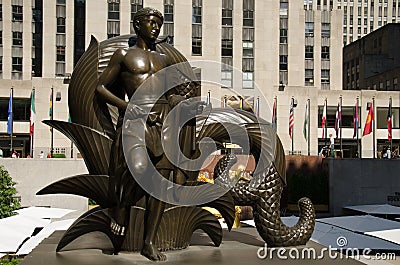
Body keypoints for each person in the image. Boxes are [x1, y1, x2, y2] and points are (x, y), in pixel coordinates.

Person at [96, 7, 199, 261]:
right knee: (135, 168)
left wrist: (181, 101)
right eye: (151, 23)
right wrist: (128, 106)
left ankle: (149, 242)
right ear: (137, 25)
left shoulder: (163, 60)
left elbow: (166, 94)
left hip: (161, 123)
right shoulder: (124, 55)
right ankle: (120, 209)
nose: (156, 28)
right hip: (135, 121)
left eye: (159, 24)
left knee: (160, 183)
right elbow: (100, 88)